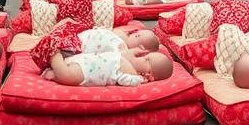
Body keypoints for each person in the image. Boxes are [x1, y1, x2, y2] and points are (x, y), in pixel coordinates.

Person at [42, 49, 172, 87]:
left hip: (89, 72)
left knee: (68, 76)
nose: (143, 56)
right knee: (67, 68)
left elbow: (125, 80)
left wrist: (139, 80)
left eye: (146, 59)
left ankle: (54, 56)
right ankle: (56, 65)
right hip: (88, 60)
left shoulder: (134, 77)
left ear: (148, 75)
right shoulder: (127, 61)